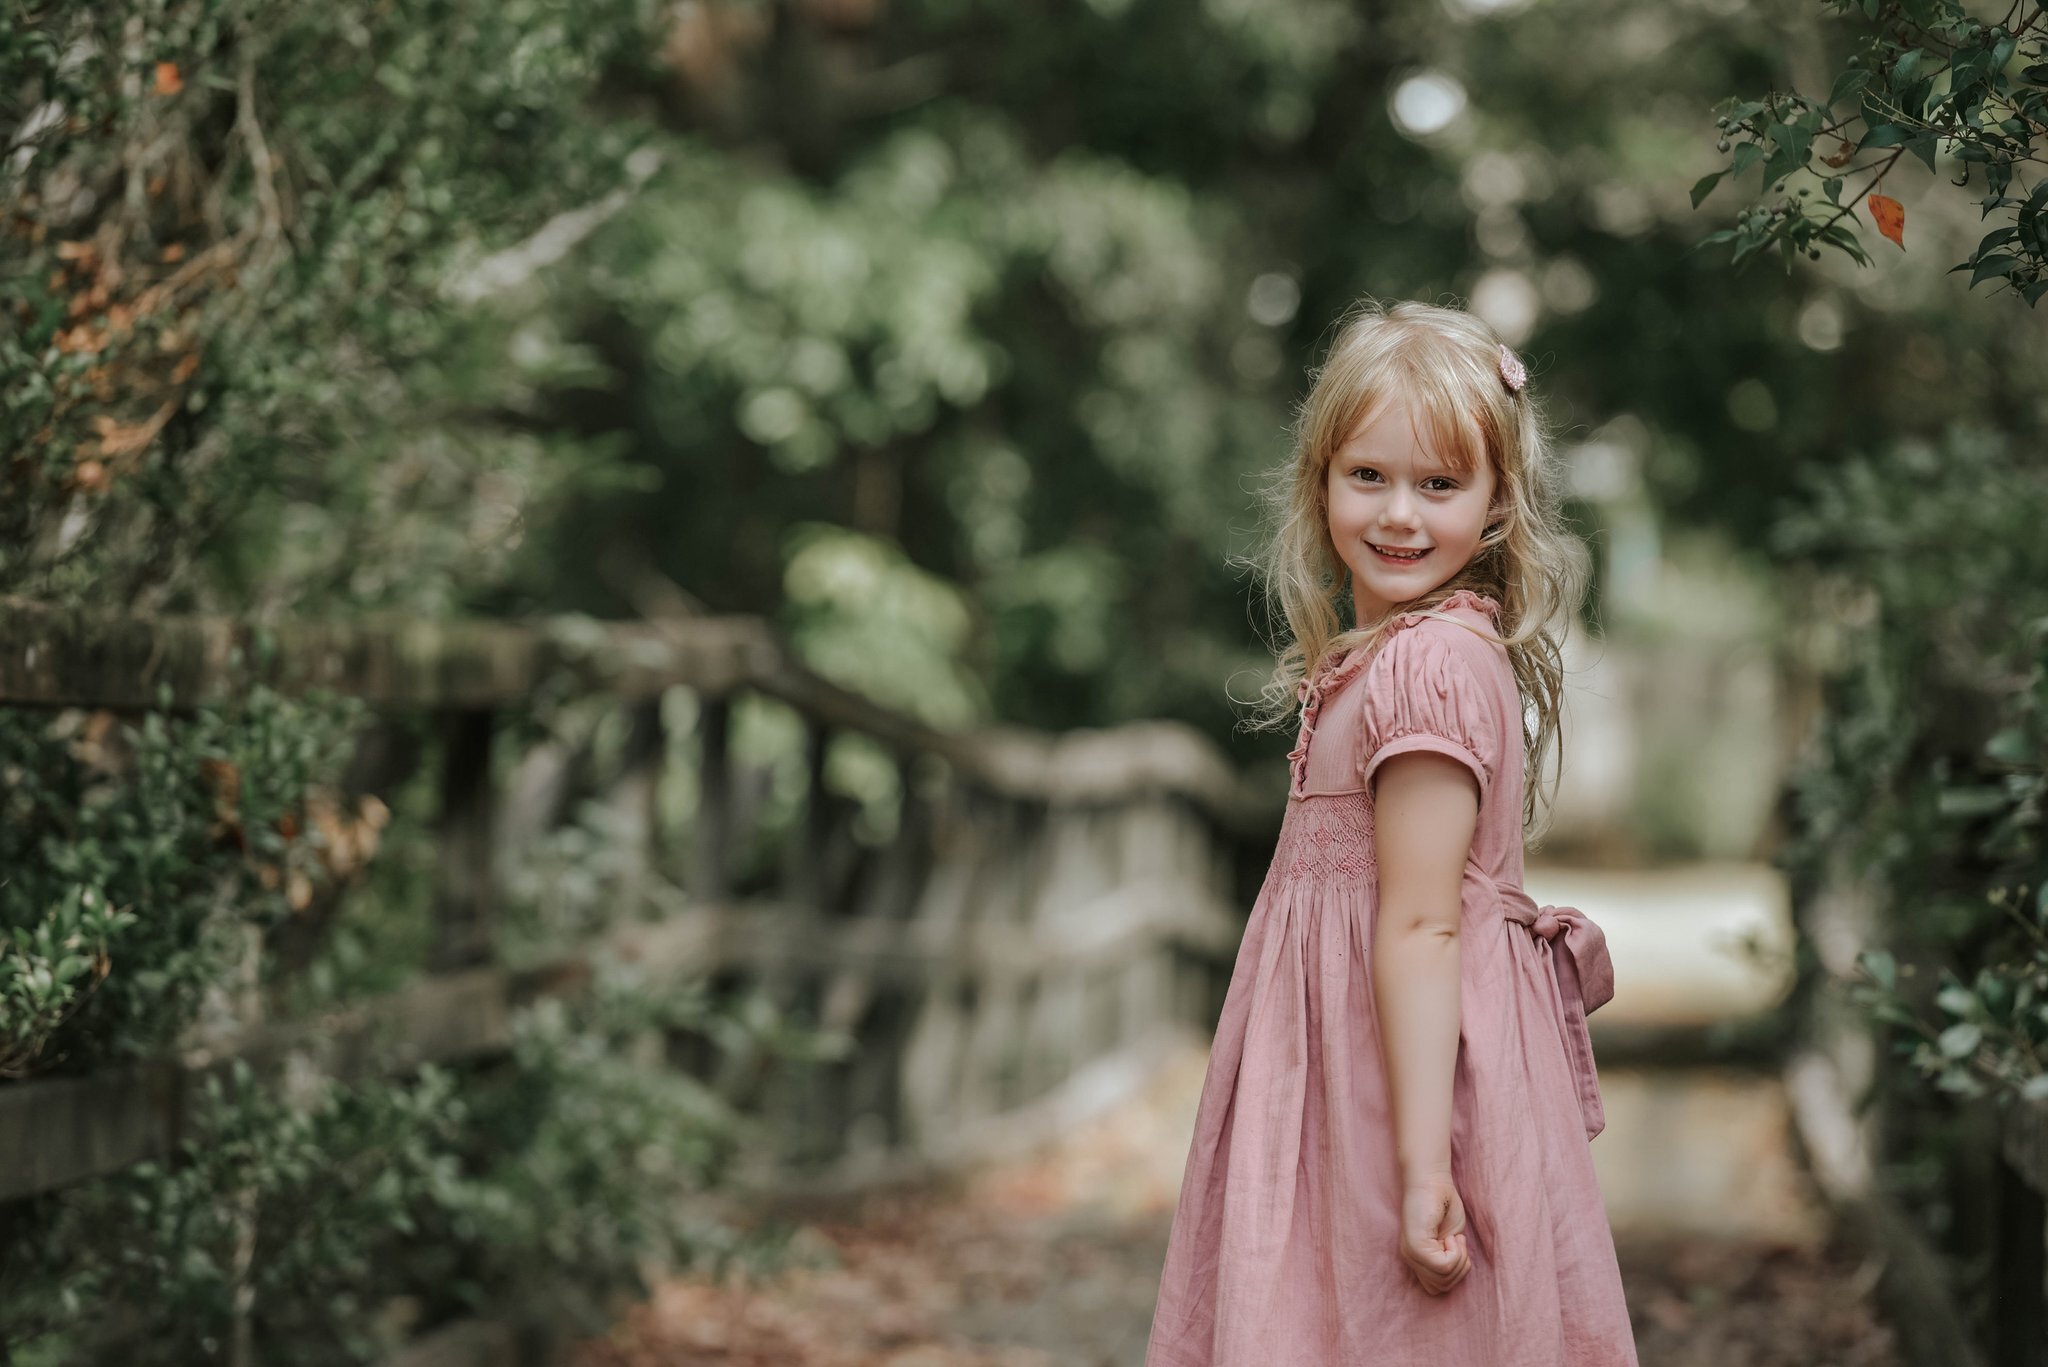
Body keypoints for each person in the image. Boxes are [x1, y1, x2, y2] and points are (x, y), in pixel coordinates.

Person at [1143, 297, 1639, 1366]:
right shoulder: (1394, 655)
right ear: (1316, 479)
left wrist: (1422, 1168)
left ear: (1496, 502)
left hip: (1399, 1085)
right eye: (1367, 475)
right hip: (1356, 1061)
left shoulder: (1421, 666)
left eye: (1439, 483)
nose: (1399, 514)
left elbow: (1420, 923)